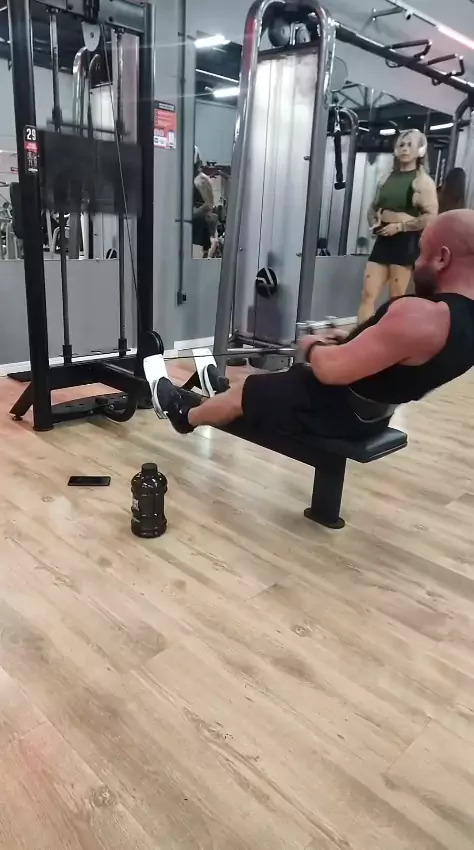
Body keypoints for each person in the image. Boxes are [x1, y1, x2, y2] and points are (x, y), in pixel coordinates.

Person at [153, 210, 474, 442]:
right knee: (260, 386)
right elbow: (402, 363)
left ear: (442, 258)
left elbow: (330, 371)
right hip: (373, 416)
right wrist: (351, 341)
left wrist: (313, 346)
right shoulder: (463, 322)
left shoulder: (424, 315)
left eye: (421, 253)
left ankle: (186, 416)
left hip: (334, 410)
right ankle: (223, 395)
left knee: (250, 390)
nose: (416, 263)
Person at [357, 129, 438, 325]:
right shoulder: (386, 178)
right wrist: (374, 223)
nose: (405, 149)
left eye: (410, 145)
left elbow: (430, 216)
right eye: (401, 144)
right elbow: (373, 208)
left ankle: (390, 338)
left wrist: (401, 227)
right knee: (367, 293)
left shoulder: (423, 182)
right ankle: (359, 336)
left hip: (405, 242)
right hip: (383, 239)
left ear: (420, 150)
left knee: (396, 298)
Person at [192, 146, 214, 259]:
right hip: (189, 228)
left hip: (199, 230)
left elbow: (209, 205)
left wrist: (190, 215)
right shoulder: (186, 178)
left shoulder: (201, 180)